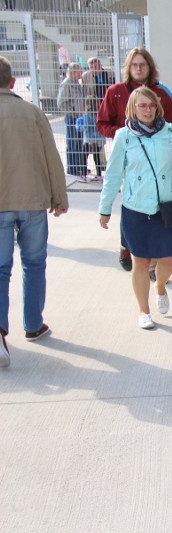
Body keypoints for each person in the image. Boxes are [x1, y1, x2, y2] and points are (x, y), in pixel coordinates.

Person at [98, 87, 172, 329]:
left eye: (151, 105)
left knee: (169, 258)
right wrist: (105, 207)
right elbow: (113, 174)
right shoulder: (124, 136)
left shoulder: (170, 133)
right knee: (140, 261)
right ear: (133, 108)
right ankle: (144, 311)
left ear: (157, 107)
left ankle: (161, 286)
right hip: (135, 208)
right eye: (141, 105)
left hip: (165, 206)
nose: (147, 109)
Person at [0, 55, 69, 366]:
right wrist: (59, 197)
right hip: (33, 200)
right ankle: (32, 324)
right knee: (34, 263)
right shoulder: (31, 112)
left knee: (0, 270)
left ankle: (0, 332)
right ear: (13, 82)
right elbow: (52, 158)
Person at [97, 47, 172, 272]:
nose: (139, 68)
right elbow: (102, 122)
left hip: (154, 155)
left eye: (143, 64)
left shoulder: (160, 95)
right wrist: (123, 135)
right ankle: (126, 244)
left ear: (149, 67)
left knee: (152, 203)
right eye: (135, 65)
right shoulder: (115, 92)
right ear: (128, 68)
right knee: (130, 199)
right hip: (126, 152)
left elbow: (171, 126)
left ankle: (151, 262)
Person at [57, 63, 87, 181]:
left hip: (79, 117)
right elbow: (61, 103)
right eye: (79, 71)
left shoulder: (76, 83)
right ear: (73, 72)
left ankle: (79, 166)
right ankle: (72, 169)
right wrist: (73, 112)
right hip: (72, 117)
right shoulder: (66, 84)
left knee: (79, 142)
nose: (81, 73)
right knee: (72, 143)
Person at [76, 98, 106, 181]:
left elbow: (86, 127)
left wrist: (79, 127)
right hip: (98, 140)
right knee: (96, 157)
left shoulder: (87, 116)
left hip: (88, 140)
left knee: (84, 156)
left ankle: (84, 174)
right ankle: (99, 175)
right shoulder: (99, 114)